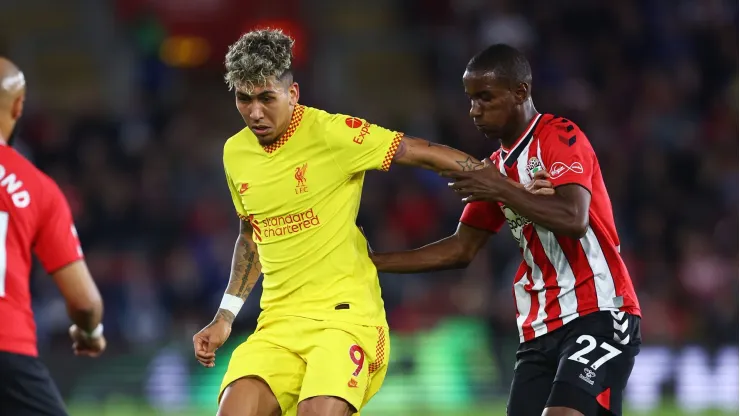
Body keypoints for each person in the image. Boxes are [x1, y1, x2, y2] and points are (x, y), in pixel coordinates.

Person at [190, 29, 498, 416]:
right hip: (278, 323)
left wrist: (500, 182)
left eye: (266, 98)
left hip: (345, 319)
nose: (255, 112)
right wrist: (224, 317)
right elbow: (250, 236)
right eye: (243, 98)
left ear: (293, 94)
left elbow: (417, 151)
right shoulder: (235, 152)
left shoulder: (333, 133)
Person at [370, 44, 641, 416]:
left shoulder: (559, 136)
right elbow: (460, 249)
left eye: (485, 98)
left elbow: (573, 219)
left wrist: (500, 188)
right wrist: (370, 262)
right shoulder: (495, 168)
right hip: (540, 327)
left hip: (600, 312)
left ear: (520, 92)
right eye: (470, 99)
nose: (474, 110)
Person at [0, 57, 106, 416]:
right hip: (7, 352)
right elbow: (85, 303)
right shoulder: (37, 188)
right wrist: (90, 333)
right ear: (17, 106)